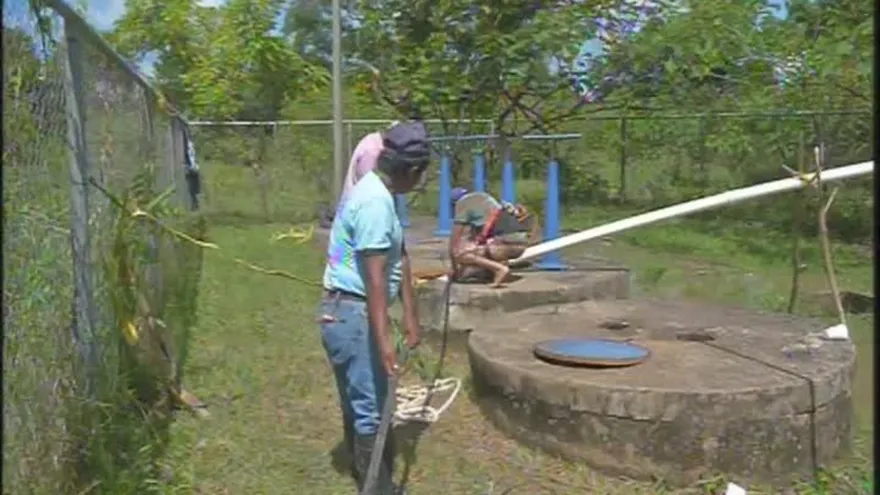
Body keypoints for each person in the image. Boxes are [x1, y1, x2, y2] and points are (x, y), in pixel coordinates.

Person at [318, 121, 430, 494]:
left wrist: (412, 316)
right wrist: (383, 338)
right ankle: (376, 488)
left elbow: (400, 253)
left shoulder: (379, 192)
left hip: (349, 312)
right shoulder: (374, 203)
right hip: (354, 313)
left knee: (365, 400)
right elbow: (375, 277)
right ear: (411, 171)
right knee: (368, 407)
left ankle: (368, 475)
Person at [448, 187, 537, 288]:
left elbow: (454, 242)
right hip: (521, 243)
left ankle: (499, 269)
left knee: (462, 253)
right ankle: (492, 273)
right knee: (481, 248)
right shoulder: (486, 198)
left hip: (503, 244)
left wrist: (455, 269)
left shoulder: (462, 204)